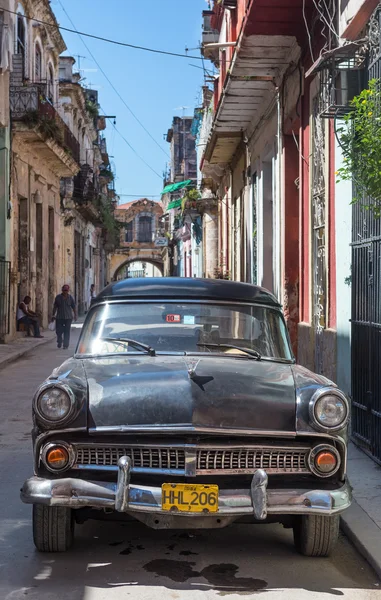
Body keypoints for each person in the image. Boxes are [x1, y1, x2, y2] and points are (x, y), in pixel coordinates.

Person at [52, 284, 77, 349]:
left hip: (68, 317)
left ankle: (66, 345)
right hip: (59, 317)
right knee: (58, 331)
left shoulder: (70, 298)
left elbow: (74, 307)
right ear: (62, 290)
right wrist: (53, 315)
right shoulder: (58, 297)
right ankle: (59, 341)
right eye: (64, 290)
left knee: (67, 331)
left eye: (66, 290)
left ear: (68, 290)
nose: (65, 291)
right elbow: (55, 307)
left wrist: (75, 315)